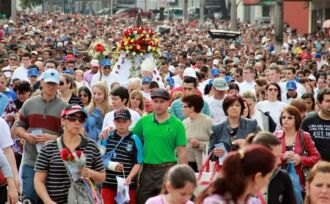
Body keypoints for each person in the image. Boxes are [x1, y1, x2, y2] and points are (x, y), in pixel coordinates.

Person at [15, 69, 69, 203]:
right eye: (48, 83)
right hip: (31, 158)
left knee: (49, 199)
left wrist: (51, 138)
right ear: (42, 83)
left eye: (54, 84)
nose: (51, 86)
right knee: (29, 197)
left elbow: (69, 135)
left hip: (54, 162)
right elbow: (19, 125)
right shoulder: (29, 103)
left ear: (58, 85)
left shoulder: (65, 107)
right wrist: (26, 136)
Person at [34, 105, 106, 204]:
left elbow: (102, 176)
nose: (77, 122)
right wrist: (48, 201)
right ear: (63, 120)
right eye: (72, 118)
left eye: (81, 119)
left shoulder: (91, 145)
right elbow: (38, 181)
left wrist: (91, 173)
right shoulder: (49, 147)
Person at [133, 88, 188, 204]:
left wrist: (183, 175)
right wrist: (110, 130)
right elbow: (130, 135)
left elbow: (182, 151)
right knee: (141, 200)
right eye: (155, 101)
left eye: (162, 101)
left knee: (167, 201)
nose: (158, 105)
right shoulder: (144, 121)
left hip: (168, 169)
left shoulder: (177, 124)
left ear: (168, 103)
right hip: (147, 169)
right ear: (151, 102)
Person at [195, 145, 276, 204]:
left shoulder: (252, 201)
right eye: (268, 177)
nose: (267, 182)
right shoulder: (215, 202)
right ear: (257, 177)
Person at [100, 109, 143, 204]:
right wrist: (111, 165)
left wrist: (130, 177)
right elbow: (98, 158)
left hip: (126, 185)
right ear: (114, 122)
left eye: (124, 121)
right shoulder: (107, 136)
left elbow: (138, 162)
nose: (121, 124)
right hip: (108, 184)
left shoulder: (135, 138)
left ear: (130, 122)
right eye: (118, 121)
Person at [273, 106, 320, 191]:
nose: (285, 120)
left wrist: (301, 160)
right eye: (283, 117)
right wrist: (282, 156)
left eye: (290, 118)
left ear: (297, 120)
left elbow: (316, 157)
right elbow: (268, 156)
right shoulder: (275, 135)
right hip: (278, 180)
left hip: (300, 182)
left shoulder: (304, 136)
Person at [247, 131, 297, 204]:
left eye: (279, 156)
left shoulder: (283, 176)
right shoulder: (239, 178)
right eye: (274, 157)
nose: (279, 161)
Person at [182, 94, 213, 171]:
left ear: (192, 108)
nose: (181, 109)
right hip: (186, 164)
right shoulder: (184, 123)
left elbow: (216, 145)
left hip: (202, 164)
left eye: (184, 106)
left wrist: (200, 144)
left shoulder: (208, 121)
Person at [301, 88, 330, 162]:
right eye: (328, 101)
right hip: (316, 168)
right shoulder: (308, 121)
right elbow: (300, 145)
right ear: (319, 103)